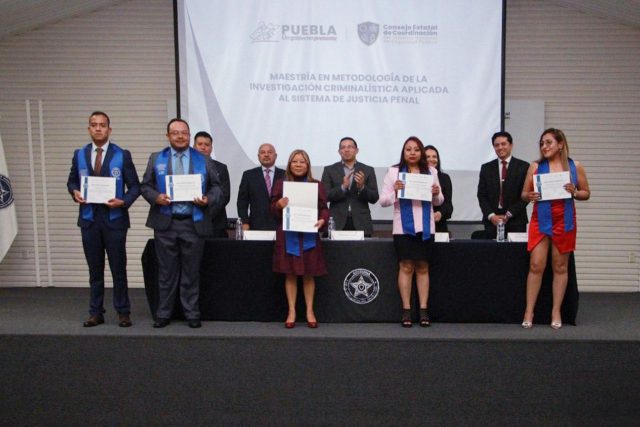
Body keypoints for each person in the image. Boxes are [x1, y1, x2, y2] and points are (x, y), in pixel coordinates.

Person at [141, 119, 223, 329]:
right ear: (167, 135)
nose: (179, 136)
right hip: (166, 224)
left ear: (189, 135)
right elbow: (145, 186)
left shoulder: (203, 159)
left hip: (192, 223)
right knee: (166, 273)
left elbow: (217, 188)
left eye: (184, 133)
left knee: (191, 272)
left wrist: (207, 199)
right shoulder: (156, 158)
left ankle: (192, 313)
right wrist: (156, 197)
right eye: (175, 133)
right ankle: (163, 313)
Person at [67, 111, 140, 327]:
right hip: (89, 220)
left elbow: (135, 186)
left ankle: (123, 312)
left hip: (115, 220)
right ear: (88, 128)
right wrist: (74, 193)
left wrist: (123, 201)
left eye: (102, 125)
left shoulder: (122, 154)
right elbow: (71, 181)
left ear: (109, 129)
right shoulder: (79, 154)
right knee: (94, 269)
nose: (98, 128)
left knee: (118, 268)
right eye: (93, 125)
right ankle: (96, 312)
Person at [521, 128, 590, 329]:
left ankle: (556, 310)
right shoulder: (535, 166)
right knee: (536, 265)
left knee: (560, 266)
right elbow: (524, 194)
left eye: (549, 142)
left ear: (560, 144)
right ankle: (528, 310)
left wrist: (575, 192)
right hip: (541, 219)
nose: (544, 147)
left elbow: (586, 193)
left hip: (564, 219)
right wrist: (530, 196)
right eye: (542, 143)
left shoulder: (574, 166)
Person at [379, 136, 444, 327]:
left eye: (416, 149)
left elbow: (439, 201)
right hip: (402, 227)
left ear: (421, 152)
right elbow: (383, 201)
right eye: (408, 149)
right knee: (406, 267)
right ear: (403, 152)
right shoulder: (394, 172)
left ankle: (423, 310)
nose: (413, 153)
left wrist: (436, 192)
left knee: (423, 267)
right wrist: (396, 192)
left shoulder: (431, 171)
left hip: (426, 226)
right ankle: (406, 310)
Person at [271, 149, 329, 329]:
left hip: (309, 234)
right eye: (295, 161)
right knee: (290, 273)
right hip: (288, 235)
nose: (298, 165)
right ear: (289, 164)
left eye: (302, 162)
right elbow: (271, 209)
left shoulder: (316, 184)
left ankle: (310, 310)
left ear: (308, 165)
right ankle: (292, 311)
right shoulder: (281, 184)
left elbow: (324, 208)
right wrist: (278, 205)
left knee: (309, 273)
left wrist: (323, 220)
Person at [321, 137, 379, 236]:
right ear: (339, 151)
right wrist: (342, 187)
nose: (346, 150)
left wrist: (362, 187)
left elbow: (374, 198)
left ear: (357, 150)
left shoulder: (368, 170)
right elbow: (324, 196)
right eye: (343, 147)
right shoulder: (329, 170)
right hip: (336, 221)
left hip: (361, 222)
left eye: (350, 147)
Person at [477, 131, 529, 239]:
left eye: (503, 144)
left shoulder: (523, 167)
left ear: (511, 145)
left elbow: (526, 195)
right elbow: (482, 195)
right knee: (492, 254)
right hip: (492, 221)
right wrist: (491, 216)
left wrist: (509, 214)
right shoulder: (486, 168)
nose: (500, 147)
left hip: (516, 220)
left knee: (514, 255)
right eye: (496, 145)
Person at [237, 143, 285, 231]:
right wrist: (245, 222)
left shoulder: (285, 175)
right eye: (263, 152)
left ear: (275, 156)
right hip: (256, 226)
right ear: (258, 156)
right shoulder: (248, 175)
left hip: (280, 226)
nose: (266, 155)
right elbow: (242, 202)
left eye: (270, 152)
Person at [193, 131, 230, 238]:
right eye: (200, 144)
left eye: (207, 145)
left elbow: (224, 196)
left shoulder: (221, 168)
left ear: (211, 148)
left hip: (215, 223)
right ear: (193, 146)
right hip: (191, 224)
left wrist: (206, 215)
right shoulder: (186, 167)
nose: (203, 147)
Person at [425, 145, 453, 233]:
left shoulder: (445, 178)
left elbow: (449, 205)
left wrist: (440, 213)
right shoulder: (416, 177)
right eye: (427, 157)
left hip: (439, 226)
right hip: (420, 226)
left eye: (434, 156)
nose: (431, 159)